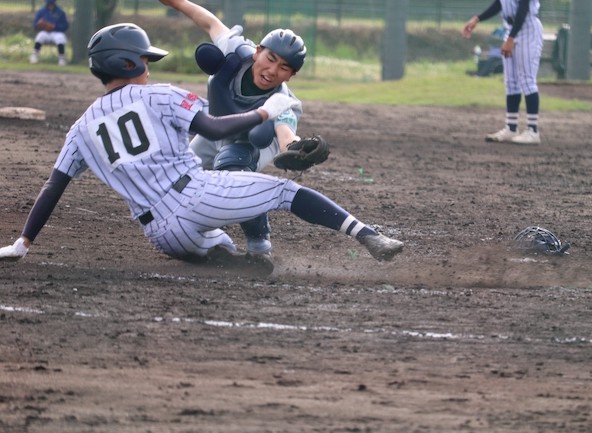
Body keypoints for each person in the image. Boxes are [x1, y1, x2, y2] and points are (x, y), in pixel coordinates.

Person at [0, 23, 404, 275]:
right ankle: (369, 236)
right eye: (144, 58)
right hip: (195, 195)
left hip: (160, 233)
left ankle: (237, 260)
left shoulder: (81, 128)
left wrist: (24, 242)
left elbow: (53, 186)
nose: (149, 65)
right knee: (283, 192)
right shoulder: (160, 95)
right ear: (128, 64)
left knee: (227, 253)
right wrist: (266, 113)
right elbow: (212, 126)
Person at [158, 0, 315, 259]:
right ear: (257, 51)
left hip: (255, 144)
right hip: (217, 131)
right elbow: (208, 21)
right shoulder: (235, 52)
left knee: (235, 168)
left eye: (284, 67)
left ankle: (258, 245)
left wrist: (295, 149)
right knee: (177, 181)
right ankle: (202, 230)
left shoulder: (284, 100)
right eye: (271, 59)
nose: (273, 70)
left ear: (291, 75)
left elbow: (286, 136)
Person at [462, 0, 543, 145]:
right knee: (511, 82)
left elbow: (523, 8)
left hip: (527, 30)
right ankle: (511, 128)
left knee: (527, 80)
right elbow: (500, 3)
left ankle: (533, 131)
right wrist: (478, 18)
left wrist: (511, 39)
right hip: (511, 30)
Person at [30, 0, 69, 66]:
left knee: (60, 38)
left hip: (57, 32)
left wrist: (55, 26)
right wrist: (38, 25)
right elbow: (35, 25)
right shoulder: (41, 11)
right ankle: (34, 56)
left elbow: (65, 26)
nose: (50, 4)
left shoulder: (60, 12)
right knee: (40, 36)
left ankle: (61, 59)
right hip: (45, 32)